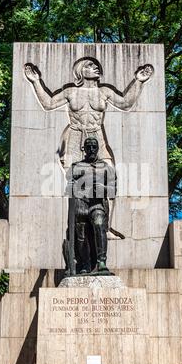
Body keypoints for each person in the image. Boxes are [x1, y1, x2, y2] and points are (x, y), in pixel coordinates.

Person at [24, 57, 154, 169]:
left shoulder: (104, 91)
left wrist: (139, 81)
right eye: (90, 65)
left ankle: (106, 198)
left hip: (96, 133)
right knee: (73, 174)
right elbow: (48, 104)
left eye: (96, 65)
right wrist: (35, 81)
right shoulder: (71, 91)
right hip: (75, 133)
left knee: (108, 170)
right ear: (80, 71)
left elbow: (125, 104)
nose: (96, 67)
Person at [65, 137, 116, 275]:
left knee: (99, 225)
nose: (91, 149)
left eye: (94, 146)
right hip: (80, 204)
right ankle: (85, 264)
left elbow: (112, 191)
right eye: (88, 147)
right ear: (84, 149)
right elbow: (68, 188)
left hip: (97, 203)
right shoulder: (76, 167)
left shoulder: (106, 168)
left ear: (98, 148)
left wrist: (101, 187)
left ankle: (101, 262)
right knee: (81, 236)